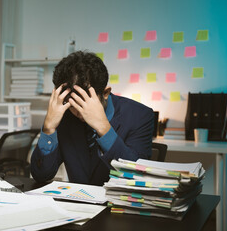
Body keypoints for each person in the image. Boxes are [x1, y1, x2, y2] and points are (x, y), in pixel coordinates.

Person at [30, 51, 154, 186]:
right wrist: (49, 128)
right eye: (72, 105)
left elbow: (137, 177)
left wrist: (103, 128)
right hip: (78, 203)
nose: (78, 112)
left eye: (84, 102)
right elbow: (41, 175)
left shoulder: (140, 116)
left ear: (105, 93)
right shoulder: (64, 115)